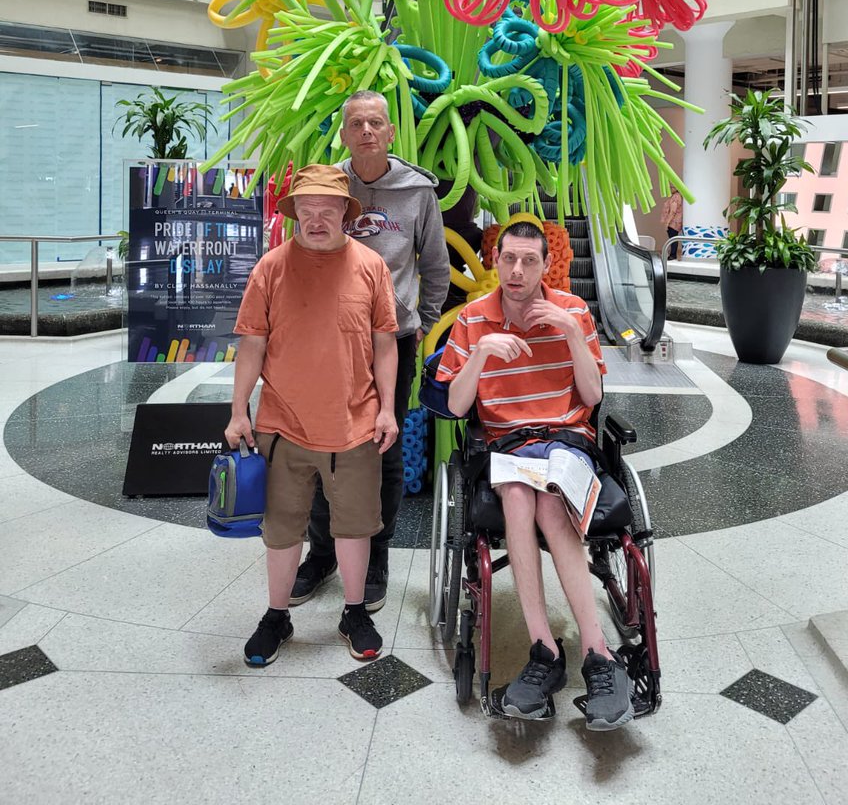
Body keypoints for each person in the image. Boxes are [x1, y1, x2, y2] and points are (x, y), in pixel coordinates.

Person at [436, 220, 634, 731]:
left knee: (548, 501)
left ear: (547, 265)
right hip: (506, 445)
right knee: (520, 497)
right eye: (508, 260)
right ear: (495, 261)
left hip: (568, 439)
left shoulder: (574, 311)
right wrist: (480, 355)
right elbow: (457, 407)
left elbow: (591, 398)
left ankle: (598, 653)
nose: (517, 271)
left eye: (529, 261)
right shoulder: (474, 319)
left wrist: (571, 334)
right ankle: (544, 649)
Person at [225, 164, 399, 668]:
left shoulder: (371, 266)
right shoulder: (271, 268)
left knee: (355, 527)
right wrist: (240, 411)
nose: (317, 219)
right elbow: (252, 344)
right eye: (308, 209)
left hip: (355, 424)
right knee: (281, 530)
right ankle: (276, 615)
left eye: (328, 209)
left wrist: (387, 409)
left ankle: (353, 611)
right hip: (282, 426)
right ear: (294, 212)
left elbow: (384, 344)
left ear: (346, 213)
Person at [291, 90, 450, 612]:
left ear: (389, 132)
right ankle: (322, 553)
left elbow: (435, 268)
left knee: (383, 445)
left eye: (375, 122)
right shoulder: (327, 184)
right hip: (328, 342)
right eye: (356, 123)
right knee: (319, 444)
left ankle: (377, 552)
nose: (365, 131)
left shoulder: (417, 189)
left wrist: (420, 324)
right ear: (343, 133)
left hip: (393, 343)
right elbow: (301, 254)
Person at [660, 189, 683, 260]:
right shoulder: (675, 196)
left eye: (671, 187)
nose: (669, 189)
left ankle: (673, 255)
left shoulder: (676, 197)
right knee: (672, 238)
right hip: (674, 221)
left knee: (673, 238)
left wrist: (667, 222)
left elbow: (673, 211)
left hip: (674, 222)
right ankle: (672, 254)